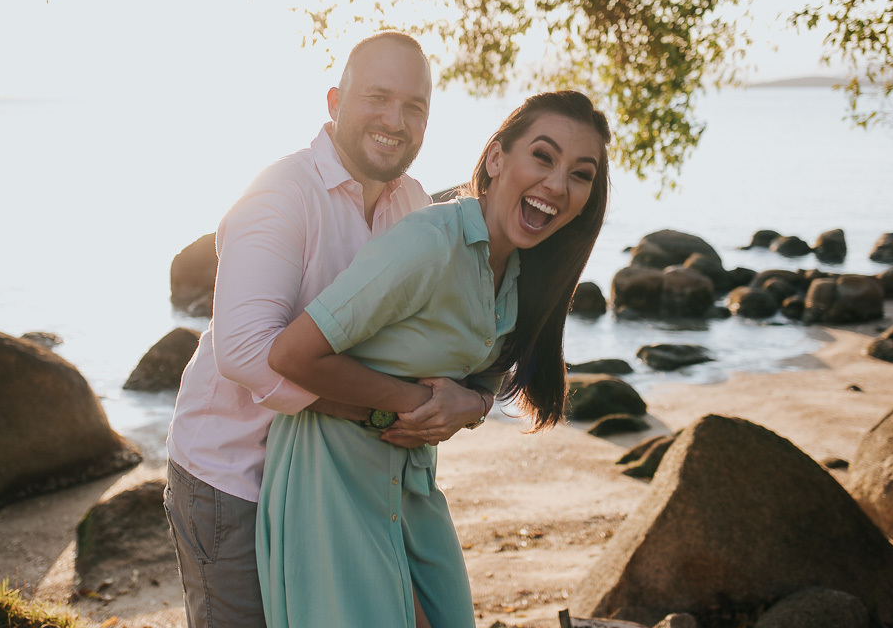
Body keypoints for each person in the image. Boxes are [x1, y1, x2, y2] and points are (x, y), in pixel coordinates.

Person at [164, 31, 493, 628]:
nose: (396, 120)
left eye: (414, 107)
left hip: (336, 484)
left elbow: (445, 333)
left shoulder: (413, 206)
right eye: (377, 98)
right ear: (335, 101)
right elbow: (244, 351)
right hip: (237, 475)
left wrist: (472, 400)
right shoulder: (281, 193)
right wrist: (378, 408)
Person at [258, 90, 612, 628]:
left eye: (581, 174)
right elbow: (291, 354)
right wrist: (415, 402)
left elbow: (485, 379)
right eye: (543, 156)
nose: (558, 184)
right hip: (330, 482)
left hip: (410, 485)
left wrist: (471, 404)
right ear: (496, 159)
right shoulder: (430, 242)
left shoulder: (518, 275)